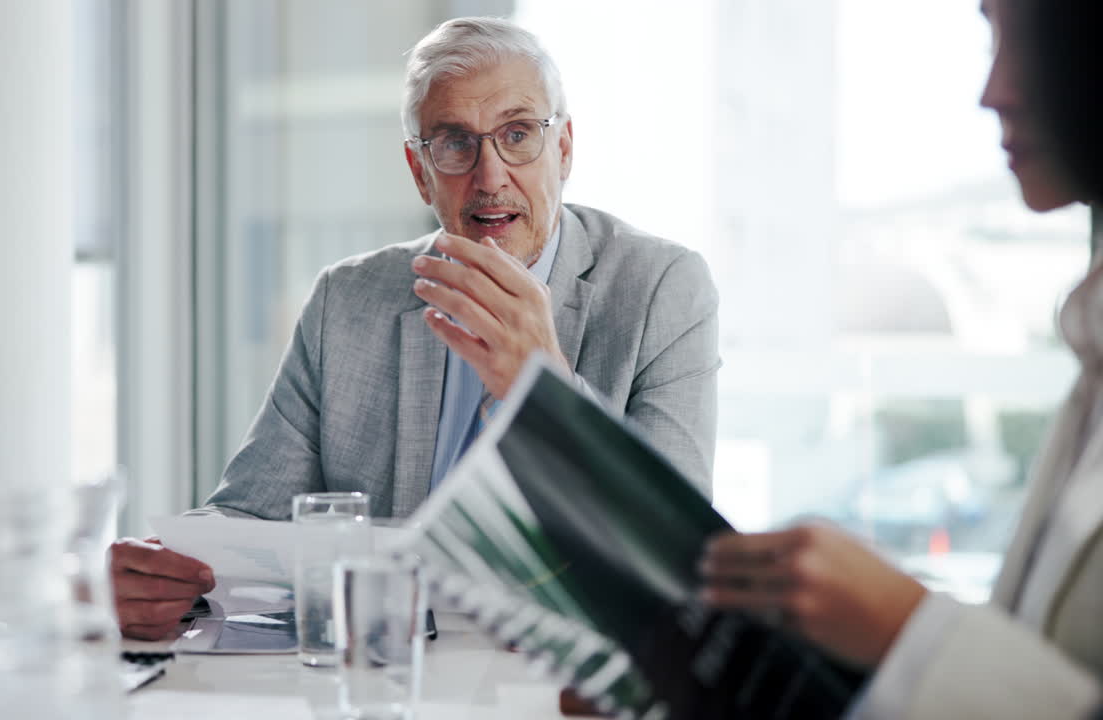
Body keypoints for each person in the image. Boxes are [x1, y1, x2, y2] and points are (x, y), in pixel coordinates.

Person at [111, 16, 721, 640]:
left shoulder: (661, 289)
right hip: (385, 680)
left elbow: (682, 560)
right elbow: (246, 519)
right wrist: (161, 574)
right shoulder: (345, 301)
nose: (490, 176)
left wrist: (546, 393)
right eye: (455, 143)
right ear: (418, 168)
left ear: (563, 148)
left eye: (518, 134)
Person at [700, 0, 1103, 717]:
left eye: (1031, 44)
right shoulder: (1090, 343)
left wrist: (908, 630)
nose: (994, 92)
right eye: (992, 36)